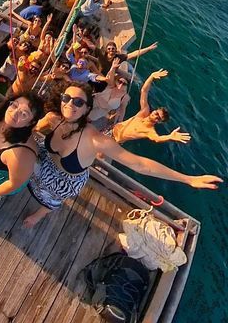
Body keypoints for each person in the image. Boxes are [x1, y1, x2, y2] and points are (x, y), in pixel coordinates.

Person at [23, 84, 221, 228]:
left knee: (50, 201)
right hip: (46, 161)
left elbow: (141, 165)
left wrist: (189, 179)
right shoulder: (52, 118)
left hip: (64, 181)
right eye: (66, 98)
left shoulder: (95, 140)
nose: (69, 104)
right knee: (22, 158)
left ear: (87, 109)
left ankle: (40, 214)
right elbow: (32, 130)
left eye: (78, 102)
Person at [112, 69, 191, 145]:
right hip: (112, 127)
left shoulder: (149, 130)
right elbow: (144, 91)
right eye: (157, 113)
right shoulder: (144, 112)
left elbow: (157, 139)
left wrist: (169, 137)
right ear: (154, 110)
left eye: (159, 118)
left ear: (159, 122)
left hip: (114, 139)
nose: (156, 116)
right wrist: (151, 76)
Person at [88, 58, 130, 131]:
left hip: (100, 111)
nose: (121, 84)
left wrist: (119, 123)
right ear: (117, 81)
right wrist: (113, 68)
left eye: (124, 83)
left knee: (89, 119)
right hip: (93, 102)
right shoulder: (111, 86)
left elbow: (122, 110)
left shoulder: (125, 97)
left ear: (126, 85)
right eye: (120, 82)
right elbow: (110, 77)